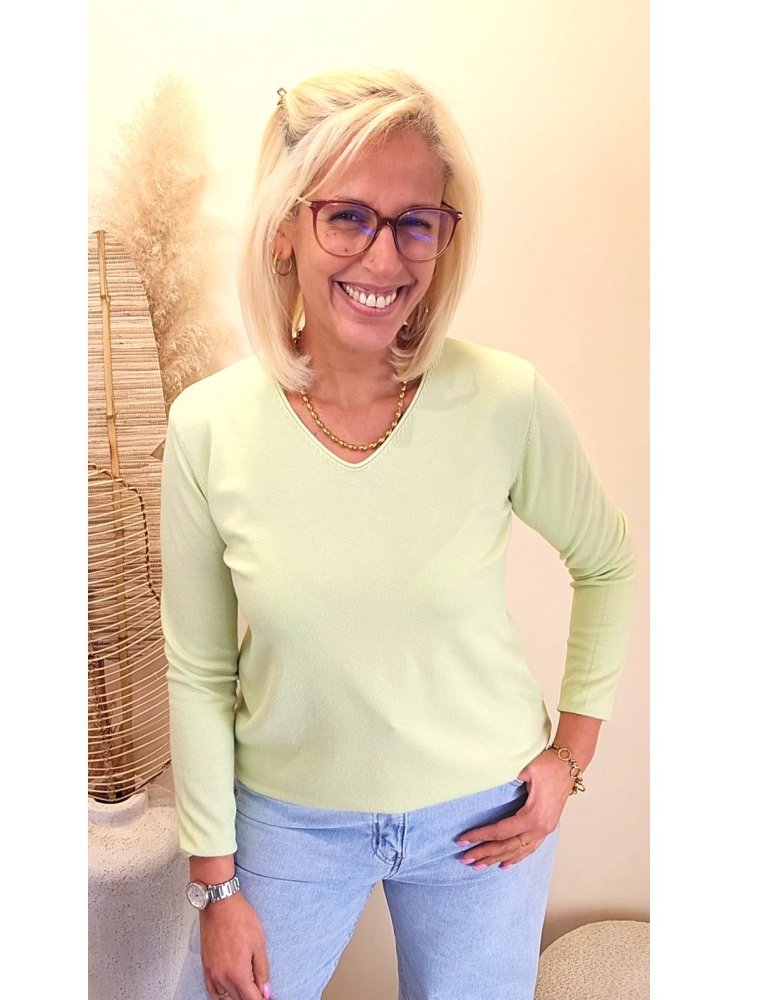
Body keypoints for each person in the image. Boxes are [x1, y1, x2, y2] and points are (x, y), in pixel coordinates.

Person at [161, 67, 636, 1000]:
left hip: (485, 816)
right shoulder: (208, 426)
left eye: (416, 221)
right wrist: (213, 884)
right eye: (347, 216)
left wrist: (568, 760)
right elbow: (200, 670)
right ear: (284, 227)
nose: (385, 260)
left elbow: (607, 561)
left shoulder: (505, 400)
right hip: (288, 822)